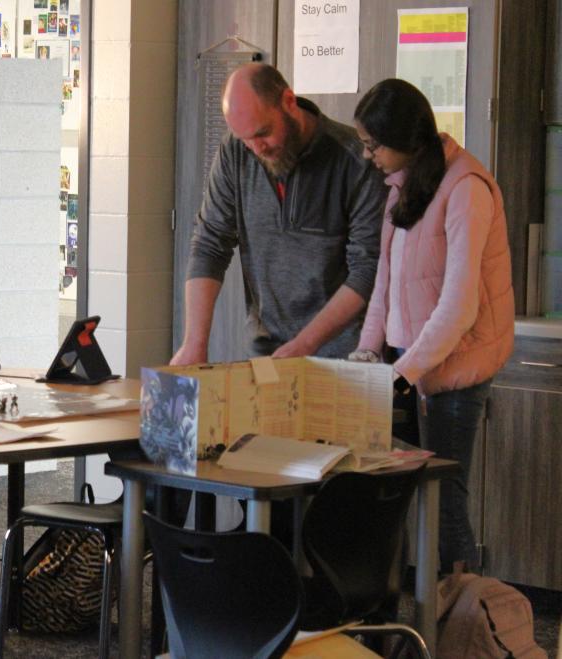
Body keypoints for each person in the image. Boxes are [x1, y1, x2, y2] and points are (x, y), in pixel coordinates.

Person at [351, 79, 514, 573]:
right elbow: (385, 280)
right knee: (395, 503)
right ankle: (415, 624)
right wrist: (366, 353)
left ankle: (465, 629)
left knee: (444, 506)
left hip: (457, 366)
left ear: (406, 138)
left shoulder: (467, 188)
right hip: (410, 365)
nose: (367, 156)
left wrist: (402, 372)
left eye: (373, 144)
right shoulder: (401, 185)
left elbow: (460, 306)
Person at [171, 63, 385, 365]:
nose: (256, 148)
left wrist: (305, 344)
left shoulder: (355, 162)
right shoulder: (235, 152)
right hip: (267, 348)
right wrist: (194, 342)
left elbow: (367, 271)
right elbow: (209, 243)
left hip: (344, 358)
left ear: (288, 102)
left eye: (263, 133)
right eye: (245, 138)